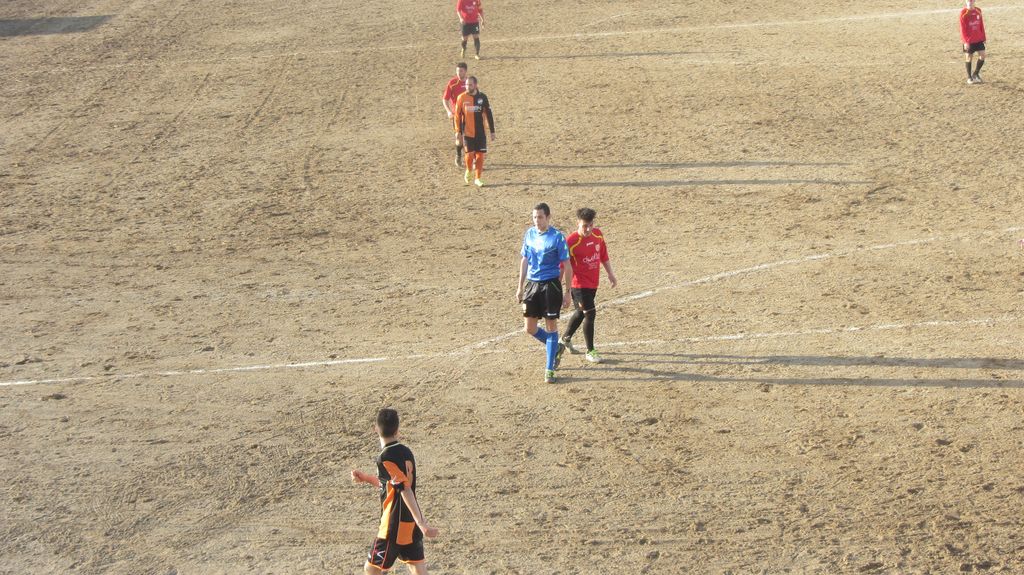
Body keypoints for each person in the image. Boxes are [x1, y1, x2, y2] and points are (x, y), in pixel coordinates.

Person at [352, 408, 439, 575]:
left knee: (371, 569)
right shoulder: (406, 452)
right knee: (418, 569)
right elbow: (392, 485)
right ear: (397, 430)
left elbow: (404, 488)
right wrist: (366, 478)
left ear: (375, 429)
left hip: (392, 527)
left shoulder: (385, 457)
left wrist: (423, 524)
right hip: (409, 522)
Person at [516, 203, 572, 384]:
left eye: (540, 217)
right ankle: (555, 348)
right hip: (532, 285)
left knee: (551, 326)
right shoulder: (529, 234)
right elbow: (524, 260)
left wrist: (568, 292)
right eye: (534, 217)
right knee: (529, 328)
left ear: (548, 217)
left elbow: (567, 266)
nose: (537, 221)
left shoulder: (557, 237)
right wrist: (520, 286)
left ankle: (549, 369)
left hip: (550, 286)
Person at [560, 208, 618, 364]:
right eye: (584, 225)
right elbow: (562, 266)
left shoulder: (597, 235)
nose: (588, 229)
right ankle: (590, 350)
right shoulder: (571, 242)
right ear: (578, 223)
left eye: (590, 225)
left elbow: (603, 255)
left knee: (580, 313)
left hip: (593, 283)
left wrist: (610, 274)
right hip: (578, 286)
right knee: (590, 314)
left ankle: (565, 339)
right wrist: (562, 290)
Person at [453, 76, 495, 187]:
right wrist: (457, 131)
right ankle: (468, 169)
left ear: (475, 85)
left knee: (480, 156)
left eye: (470, 85)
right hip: (467, 132)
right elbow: (457, 116)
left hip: (481, 133)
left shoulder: (483, 97)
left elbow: (489, 114)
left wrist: (492, 131)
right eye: (466, 84)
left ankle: (478, 178)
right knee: (470, 155)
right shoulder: (461, 98)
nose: (467, 87)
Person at [442, 62, 469, 167]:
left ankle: (470, 159)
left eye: (461, 71)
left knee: (469, 138)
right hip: (457, 115)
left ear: (465, 71)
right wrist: (448, 111)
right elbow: (445, 99)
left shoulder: (470, 82)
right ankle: (458, 154)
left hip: (469, 115)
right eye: (457, 71)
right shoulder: (452, 83)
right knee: (459, 137)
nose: (459, 73)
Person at [960, 0, 987, 84]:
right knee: (969, 58)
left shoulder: (978, 11)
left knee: (983, 55)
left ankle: (975, 74)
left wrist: (984, 37)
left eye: (971, 1)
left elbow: (981, 25)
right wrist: (965, 42)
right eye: (968, 1)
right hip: (969, 40)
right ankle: (969, 77)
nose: (970, 2)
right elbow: (962, 29)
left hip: (978, 39)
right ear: (966, 1)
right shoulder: (963, 13)